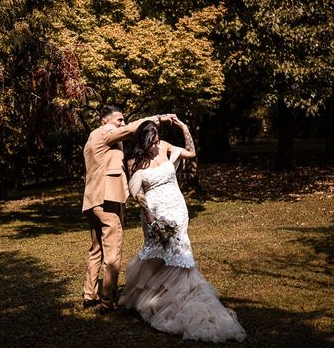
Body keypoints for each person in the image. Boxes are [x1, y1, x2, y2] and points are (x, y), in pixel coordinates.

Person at [119, 118, 246, 343]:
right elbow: (136, 192)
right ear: (144, 141)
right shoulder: (136, 162)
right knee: (158, 252)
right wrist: (149, 214)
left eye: (157, 140)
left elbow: (190, 153)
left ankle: (177, 295)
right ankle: (154, 296)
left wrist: (183, 127)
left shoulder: (166, 146)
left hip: (177, 210)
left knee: (178, 254)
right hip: (154, 213)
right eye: (152, 142)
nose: (156, 146)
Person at [81, 106, 173, 312]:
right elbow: (133, 128)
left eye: (122, 120)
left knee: (96, 250)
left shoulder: (92, 140)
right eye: (118, 120)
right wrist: (158, 117)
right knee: (113, 251)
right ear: (105, 121)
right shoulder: (104, 132)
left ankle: (89, 294)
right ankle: (107, 300)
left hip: (92, 201)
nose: (122, 124)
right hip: (107, 200)